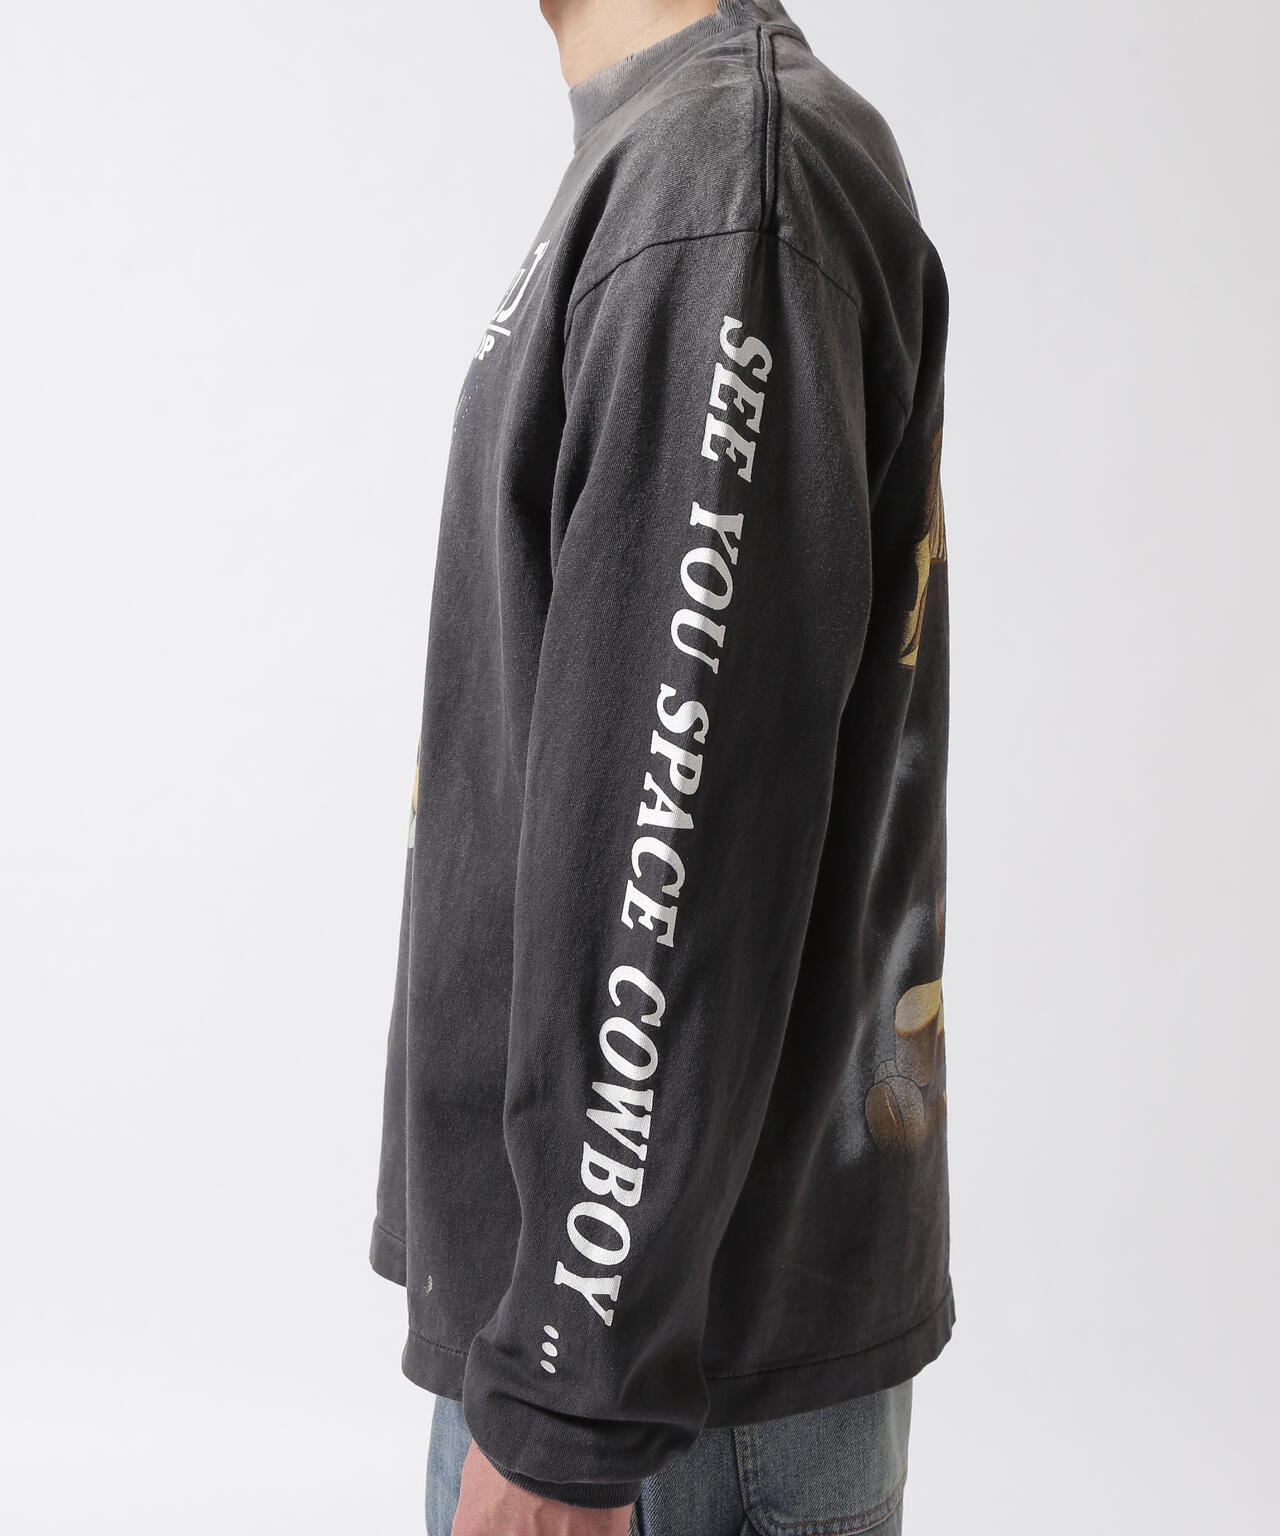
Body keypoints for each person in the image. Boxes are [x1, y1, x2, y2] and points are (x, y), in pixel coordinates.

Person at [370, 2, 953, 1531]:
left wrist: (571, 1403)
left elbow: (672, 832)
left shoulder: (722, 176)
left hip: (650, 1387)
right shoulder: (682, 159)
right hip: (617, 1338)